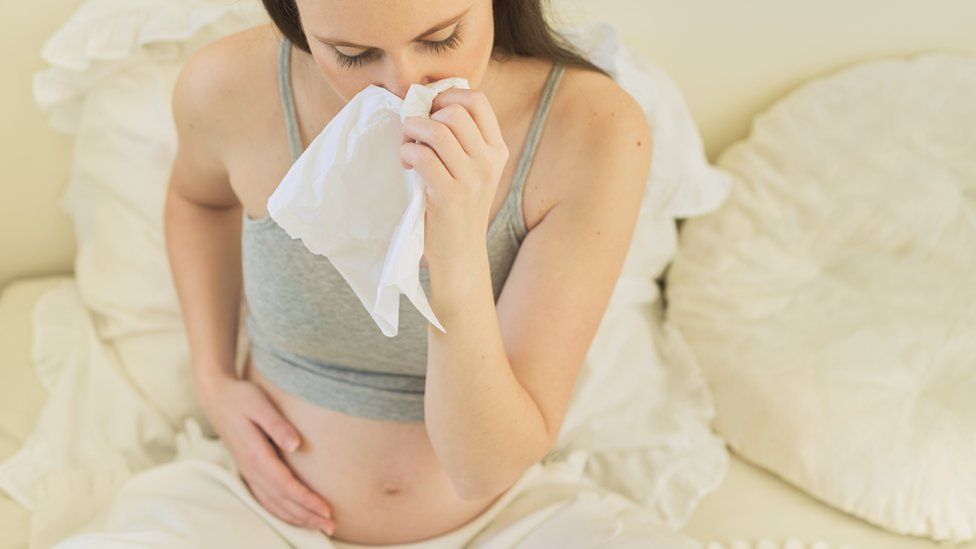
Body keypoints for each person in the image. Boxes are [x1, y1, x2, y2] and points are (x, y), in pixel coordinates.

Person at [163, 0, 652, 545]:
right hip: (248, 509)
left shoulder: (593, 129)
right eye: (352, 54)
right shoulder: (228, 84)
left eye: (442, 39)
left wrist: (456, 250)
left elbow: (483, 468)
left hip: (503, 520)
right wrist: (213, 379)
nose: (401, 85)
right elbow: (199, 202)